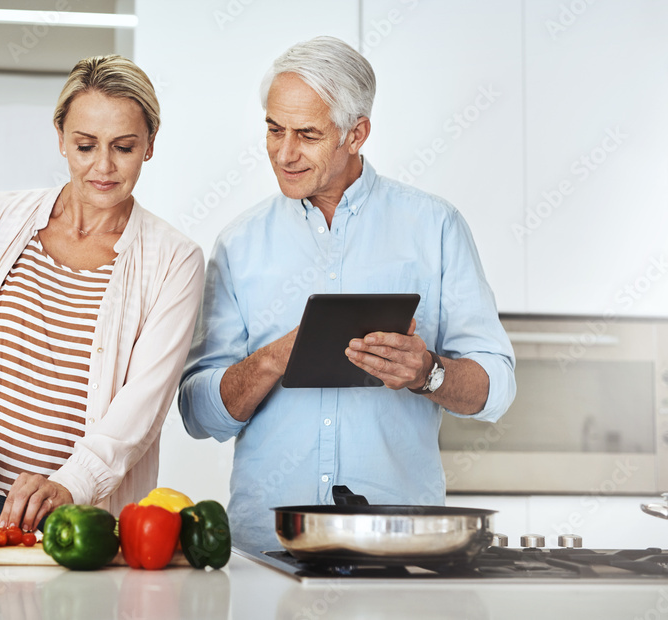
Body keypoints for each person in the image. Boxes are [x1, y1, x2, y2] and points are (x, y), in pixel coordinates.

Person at [178, 36, 516, 550]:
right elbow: (198, 415)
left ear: (356, 134)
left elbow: (497, 388)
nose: (284, 153)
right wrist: (273, 360)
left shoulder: (435, 227)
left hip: (400, 545)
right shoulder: (239, 244)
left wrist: (429, 373)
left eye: (307, 134)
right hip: (268, 546)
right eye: (273, 130)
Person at [0, 55, 205, 533]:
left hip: (80, 522)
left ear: (149, 145)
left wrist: (73, 482)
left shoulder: (175, 260)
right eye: (85, 145)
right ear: (60, 137)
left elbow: (142, 406)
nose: (102, 167)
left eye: (124, 147)